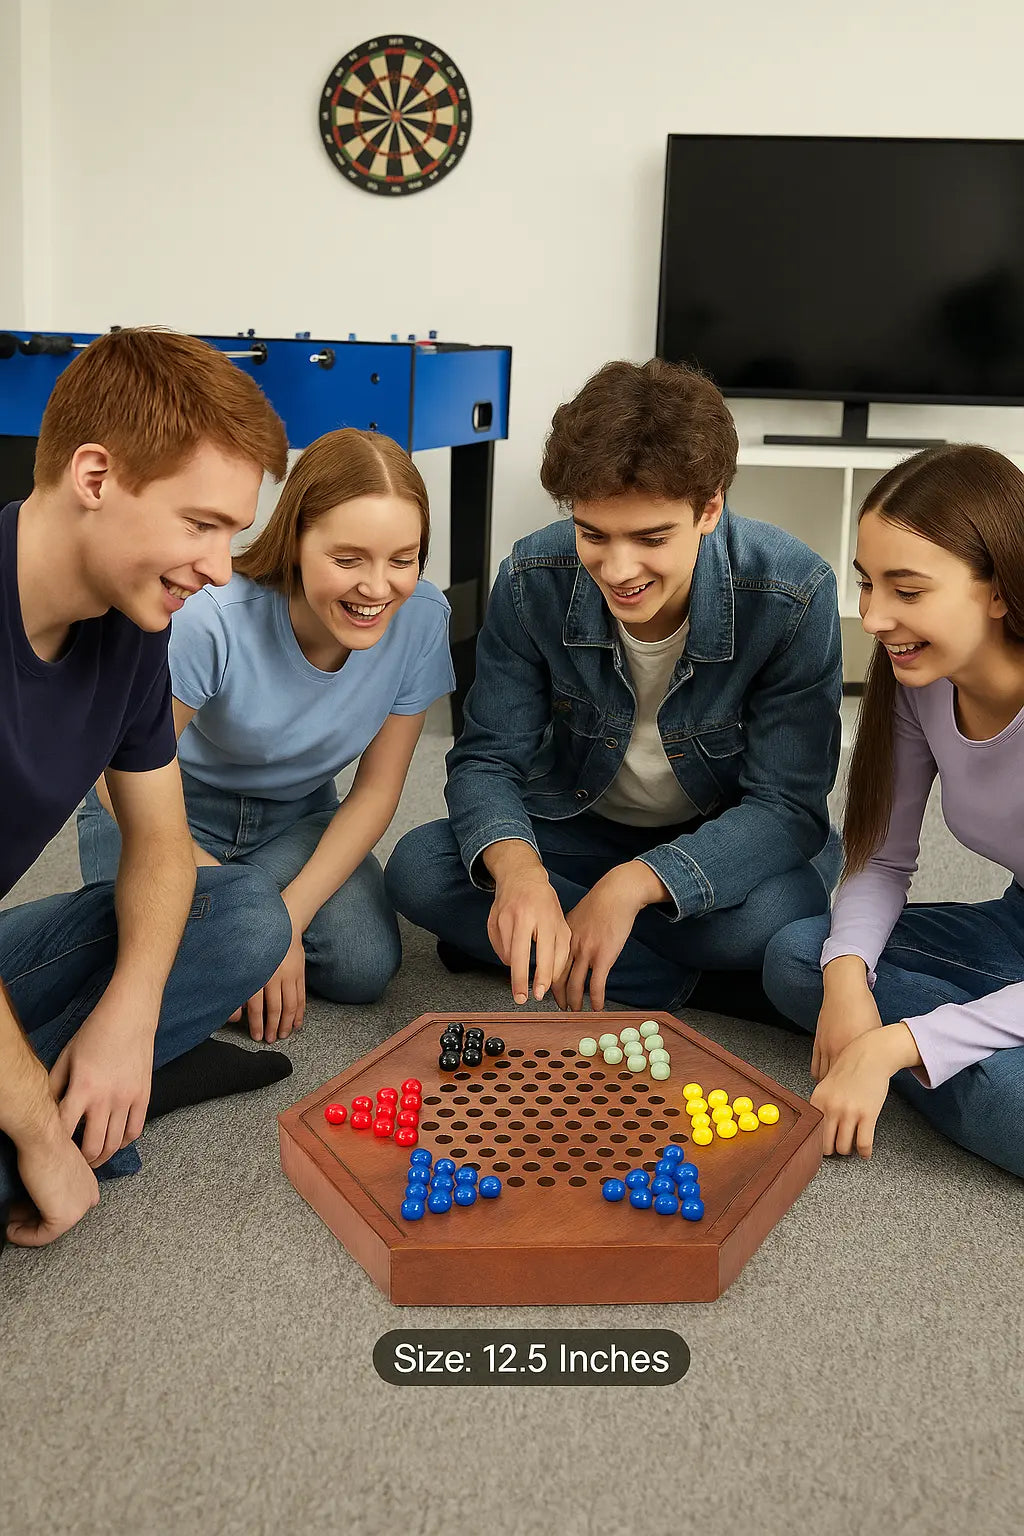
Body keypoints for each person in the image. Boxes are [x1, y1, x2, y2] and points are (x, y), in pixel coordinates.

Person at [385, 358, 842, 1016]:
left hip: (720, 836)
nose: (619, 569)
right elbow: (488, 758)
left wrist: (636, 885)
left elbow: (787, 811)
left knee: (777, 913)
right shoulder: (532, 576)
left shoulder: (793, 594)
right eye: (593, 534)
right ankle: (680, 981)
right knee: (419, 868)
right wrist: (519, 874)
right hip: (579, 826)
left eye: (650, 538)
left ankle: (551, 948)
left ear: (709, 507)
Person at [0, 327, 295, 1250]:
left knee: (246, 914)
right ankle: (72, 1122)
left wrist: (130, 1015)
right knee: (36, 1150)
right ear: (95, 477)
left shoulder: (133, 626)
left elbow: (163, 842)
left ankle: (110, 1081)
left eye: (233, 534)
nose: (217, 569)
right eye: (201, 524)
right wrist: (43, 1138)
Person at [78, 428, 455, 1041]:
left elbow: (376, 793)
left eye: (402, 559)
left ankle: (241, 924)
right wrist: (253, 925)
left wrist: (283, 917)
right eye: (347, 558)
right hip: (164, 811)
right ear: (296, 539)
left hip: (294, 819)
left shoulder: (422, 620)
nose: (377, 587)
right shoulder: (212, 620)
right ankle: (230, 931)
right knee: (130, 969)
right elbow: (111, 784)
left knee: (365, 967)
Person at [763, 444, 1024, 1179]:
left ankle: (939, 1045)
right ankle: (961, 1035)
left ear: (999, 588)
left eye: (906, 591)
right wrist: (847, 982)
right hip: (1015, 928)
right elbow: (882, 858)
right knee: (801, 956)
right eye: (867, 585)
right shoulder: (922, 680)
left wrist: (892, 1044)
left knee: (1012, 1104)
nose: (873, 618)